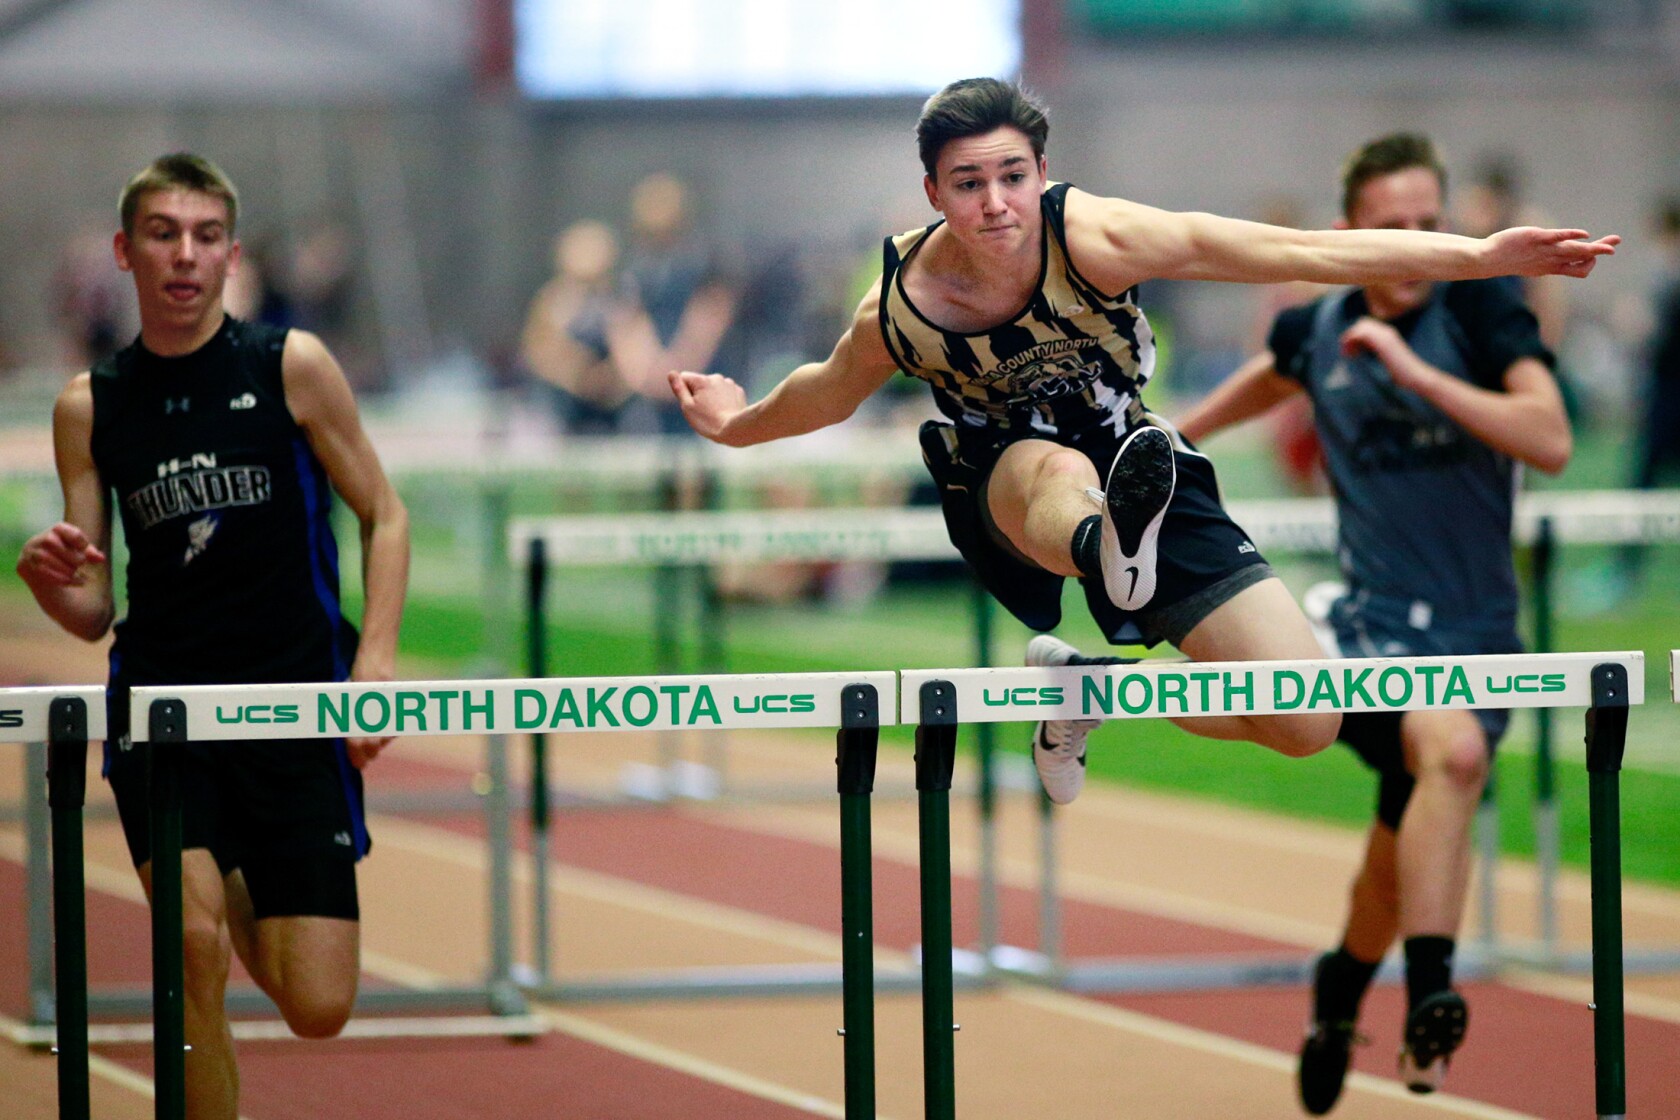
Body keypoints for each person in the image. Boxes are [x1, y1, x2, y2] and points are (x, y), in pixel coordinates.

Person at [667, 78, 1614, 808]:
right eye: (968, 184)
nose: (996, 203)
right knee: (1056, 469)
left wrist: (1478, 257)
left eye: (1013, 177)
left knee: (1307, 716)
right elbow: (825, 393)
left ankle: (1088, 683)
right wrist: (736, 425)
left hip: (1141, 463)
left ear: (1042, 172)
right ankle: (1100, 547)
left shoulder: (1098, 237)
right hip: (1008, 481)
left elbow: (1293, 253)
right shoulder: (903, 306)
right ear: (932, 191)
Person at [1176, 133, 1571, 1110]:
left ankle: (1344, 986)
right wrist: (1171, 439)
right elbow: (1265, 381)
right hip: (1369, 630)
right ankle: (1432, 991)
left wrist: (1414, 370)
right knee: (1452, 757)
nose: (1411, 245)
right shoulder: (1318, 328)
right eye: (1389, 228)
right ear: (1350, 229)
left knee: (1397, 851)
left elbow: (1550, 438)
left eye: (1429, 226)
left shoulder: (1478, 308)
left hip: (1476, 631)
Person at [15, 153, 410, 1120]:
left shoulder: (291, 367)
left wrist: (376, 669)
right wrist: (52, 590)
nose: (183, 257)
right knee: (190, 955)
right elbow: (95, 607)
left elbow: (385, 515)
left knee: (318, 1004)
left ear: (231, 254)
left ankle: (240, 880)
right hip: (165, 713)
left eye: (203, 237)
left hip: (294, 706)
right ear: (125, 250)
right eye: (162, 234)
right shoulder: (91, 405)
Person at [519, 219, 635, 435]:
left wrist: (610, 378)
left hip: (611, 399)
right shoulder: (554, 300)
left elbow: (632, 345)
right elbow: (539, 350)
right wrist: (578, 376)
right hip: (565, 397)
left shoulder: (618, 299)